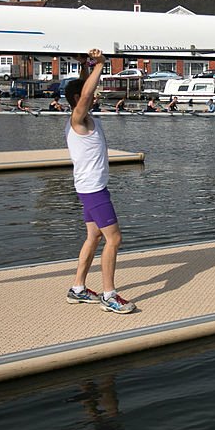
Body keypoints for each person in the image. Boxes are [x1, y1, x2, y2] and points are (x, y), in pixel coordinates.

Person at [64, 49, 135, 314]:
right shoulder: (77, 120)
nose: (94, 97)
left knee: (93, 236)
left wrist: (88, 65)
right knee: (114, 239)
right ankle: (109, 295)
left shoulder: (86, 118)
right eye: (88, 95)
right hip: (93, 191)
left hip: (91, 188)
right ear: (77, 100)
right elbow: (83, 94)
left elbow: (82, 90)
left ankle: (78, 289)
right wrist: (101, 66)